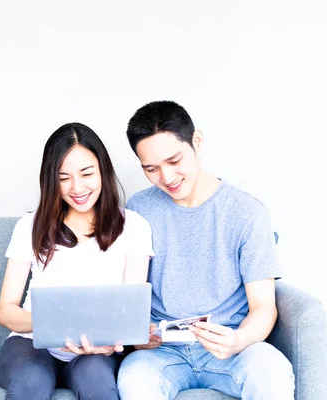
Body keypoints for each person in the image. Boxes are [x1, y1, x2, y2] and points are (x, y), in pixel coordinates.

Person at [116, 101, 295, 400]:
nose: (167, 177)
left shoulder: (246, 213)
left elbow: (264, 307)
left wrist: (238, 340)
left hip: (232, 350)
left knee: (272, 371)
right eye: (151, 168)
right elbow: (127, 295)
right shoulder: (138, 210)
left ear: (197, 142)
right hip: (160, 354)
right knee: (134, 380)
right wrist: (137, 334)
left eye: (174, 161)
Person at [0, 122, 154, 400]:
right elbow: (5, 312)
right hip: (30, 346)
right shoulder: (29, 226)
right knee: (33, 379)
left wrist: (106, 341)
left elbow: (130, 314)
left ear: (103, 170)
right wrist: (56, 324)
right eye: (63, 177)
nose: (76, 187)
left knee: (96, 381)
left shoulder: (135, 227)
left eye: (86, 174)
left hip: (95, 351)